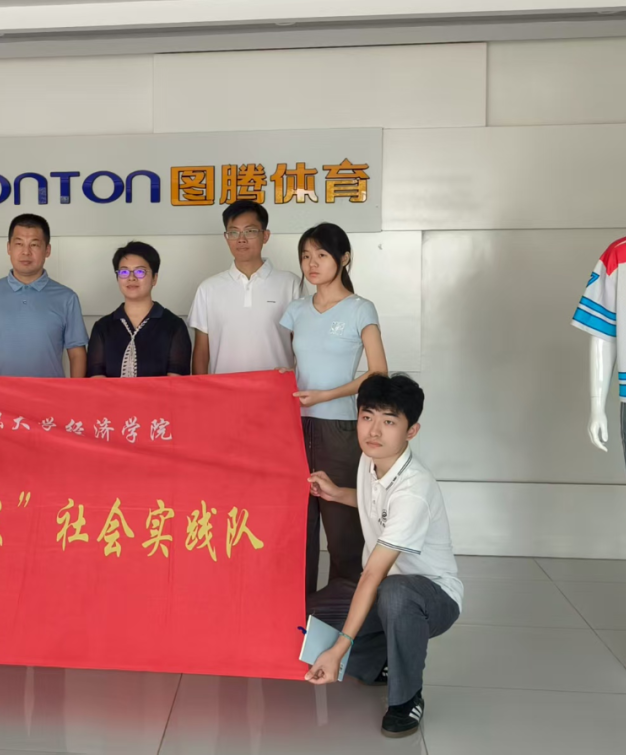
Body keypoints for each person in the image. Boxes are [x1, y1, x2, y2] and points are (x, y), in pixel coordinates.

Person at [304, 374, 462, 739]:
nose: (374, 431)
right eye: (367, 417)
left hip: (431, 598)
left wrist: (339, 649)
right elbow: (373, 503)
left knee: (395, 594)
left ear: (411, 431)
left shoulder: (414, 489)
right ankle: (380, 663)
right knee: (305, 619)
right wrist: (336, 493)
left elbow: (374, 574)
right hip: (383, 591)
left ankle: (406, 699)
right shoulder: (370, 458)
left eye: (389, 421)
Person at [280, 223, 387, 594]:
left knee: (342, 529)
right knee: (297, 527)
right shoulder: (296, 310)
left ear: (344, 259)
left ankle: (344, 613)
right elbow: (293, 367)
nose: (312, 264)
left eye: (322, 255)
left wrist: (325, 396)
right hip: (293, 428)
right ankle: (299, 611)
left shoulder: (360, 309)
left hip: (339, 428)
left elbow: (378, 372)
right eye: (306, 256)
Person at [0, 213, 88, 378]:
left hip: (49, 393)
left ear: (47, 250)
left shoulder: (67, 298)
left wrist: (76, 393)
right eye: (19, 244)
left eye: (34, 245)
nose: (26, 252)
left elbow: (77, 354)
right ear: (9, 248)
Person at [188, 200, 302, 376]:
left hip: (276, 388)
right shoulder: (208, 289)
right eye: (233, 232)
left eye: (250, 231)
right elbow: (201, 353)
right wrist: (200, 391)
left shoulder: (290, 284)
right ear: (226, 237)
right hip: (224, 390)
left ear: (265, 236)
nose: (241, 239)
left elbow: (303, 346)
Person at [86, 241, 191, 378]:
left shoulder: (174, 326)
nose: (131, 278)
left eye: (140, 271)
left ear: (154, 278)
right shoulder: (102, 327)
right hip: (109, 394)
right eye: (124, 272)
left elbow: (176, 382)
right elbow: (96, 380)